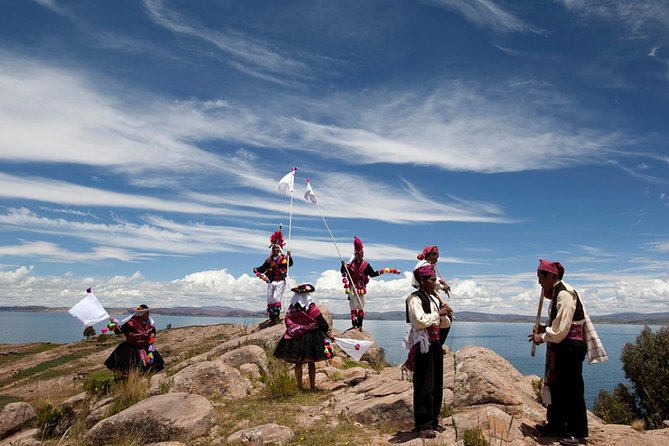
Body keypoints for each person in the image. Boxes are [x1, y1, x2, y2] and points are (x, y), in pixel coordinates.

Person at [531, 259, 588, 446]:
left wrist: (544, 336)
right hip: (562, 344)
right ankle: (556, 425)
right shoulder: (556, 292)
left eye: (540, 277)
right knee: (557, 386)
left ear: (549, 276)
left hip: (570, 346)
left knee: (572, 388)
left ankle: (577, 432)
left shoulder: (565, 294)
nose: (539, 282)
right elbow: (558, 324)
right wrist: (544, 328)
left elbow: (563, 327)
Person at [403, 264, 451, 438]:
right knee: (424, 384)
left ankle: (434, 420)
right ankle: (423, 424)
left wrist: (446, 315)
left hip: (435, 344)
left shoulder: (433, 299)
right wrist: (439, 313)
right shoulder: (414, 298)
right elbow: (419, 321)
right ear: (422, 281)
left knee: (436, 382)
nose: (435, 282)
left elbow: (442, 323)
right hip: (424, 346)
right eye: (432, 280)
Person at [273, 284, 332, 390]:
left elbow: (287, 321)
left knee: (298, 363)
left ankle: (299, 386)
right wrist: (325, 330)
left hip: (295, 337)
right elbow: (322, 323)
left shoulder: (292, 308)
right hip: (311, 337)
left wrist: (296, 327)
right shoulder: (311, 307)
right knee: (311, 362)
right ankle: (312, 386)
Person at [104, 304, 165, 377]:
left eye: (148, 313)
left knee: (147, 367)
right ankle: (129, 382)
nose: (148, 314)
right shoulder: (131, 323)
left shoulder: (150, 322)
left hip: (145, 347)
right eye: (147, 313)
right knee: (130, 367)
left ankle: (141, 381)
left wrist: (152, 335)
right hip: (132, 348)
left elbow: (153, 331)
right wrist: (114, 324)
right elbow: (119, 331)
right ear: (142, 314)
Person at [412, 245, 453, 345]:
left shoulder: (422, 264)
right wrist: (444, 287)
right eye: (434, 255)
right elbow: (430, 282)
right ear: (428, 254)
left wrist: (440, 283)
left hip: (425, 293)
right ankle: (438, 344)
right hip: (426, 294)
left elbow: (431, 280)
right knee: (447, 317)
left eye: (437, 255)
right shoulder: (425, 265)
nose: (436, 258)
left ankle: (434, 344)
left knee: (440, 319)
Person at [340, 236, 383, 330]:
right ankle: (354, 324)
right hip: (352, 288)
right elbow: (344, 272)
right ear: (356, 254)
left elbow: (372, 274)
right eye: (359, 253)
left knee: (361, 306)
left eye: (362, 253)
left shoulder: (366, 265)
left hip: (361, 288)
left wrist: (380, 272)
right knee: (353, 306)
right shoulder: (350, 264)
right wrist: (343, 265)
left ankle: (360, 325)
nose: (361, 255)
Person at [253, 229, 293, 325]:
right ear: (272, 249)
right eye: (274, 248)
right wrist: (256, 269)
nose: (276, 250)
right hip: (271, 281)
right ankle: (272, 318)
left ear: (279, 249)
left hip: (280, 281)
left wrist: (289, 257)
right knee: (270, 299)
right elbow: (262, 268)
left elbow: (290, 264)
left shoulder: (284, 258)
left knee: (276, 298)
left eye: (277, 248)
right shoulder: (269, 260)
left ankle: (276, 317)